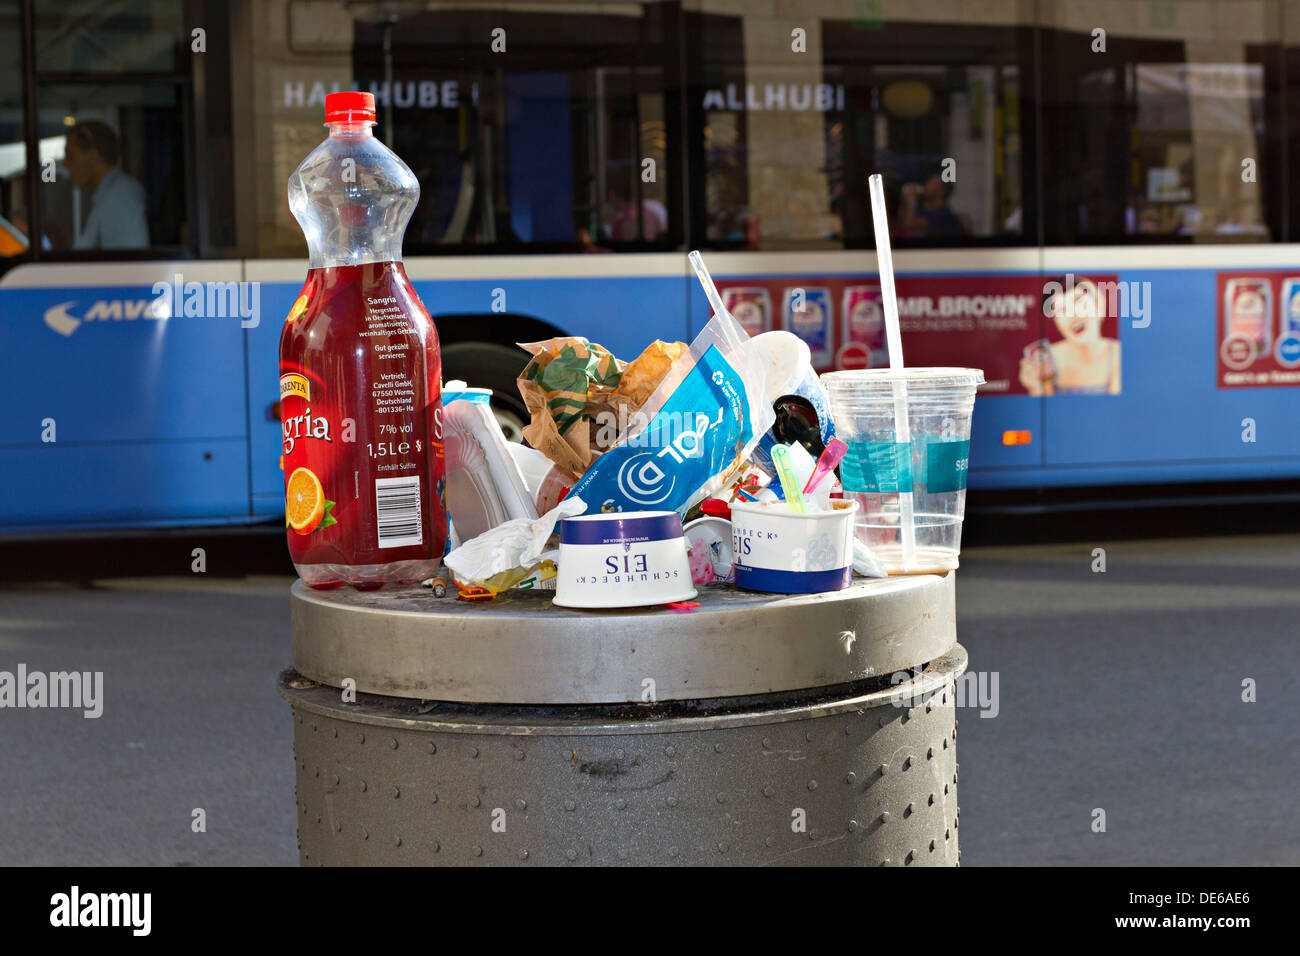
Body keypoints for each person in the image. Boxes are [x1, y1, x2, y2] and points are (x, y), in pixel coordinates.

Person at [1019, 278, 1121, 395]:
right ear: (1056, 322)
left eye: (1079, 302)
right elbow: (1045, 411)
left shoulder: (1121, 354)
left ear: (1098, 307)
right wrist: (1035, 389)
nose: (1073, 314)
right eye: (1062, 310)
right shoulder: (1046, 361)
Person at [62, 121, 149, 249]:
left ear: (94, 156)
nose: (65, 164)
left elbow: (128, 262)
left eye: (70, 156)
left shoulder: (121, 197)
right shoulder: (107, 196)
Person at [897, 173, 965, 238]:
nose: (926, 185)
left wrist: (911, 200)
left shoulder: (944, 214)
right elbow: (903, 225)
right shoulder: (925, 211)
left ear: (941, 191)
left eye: (931, 183)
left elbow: (909, 225)